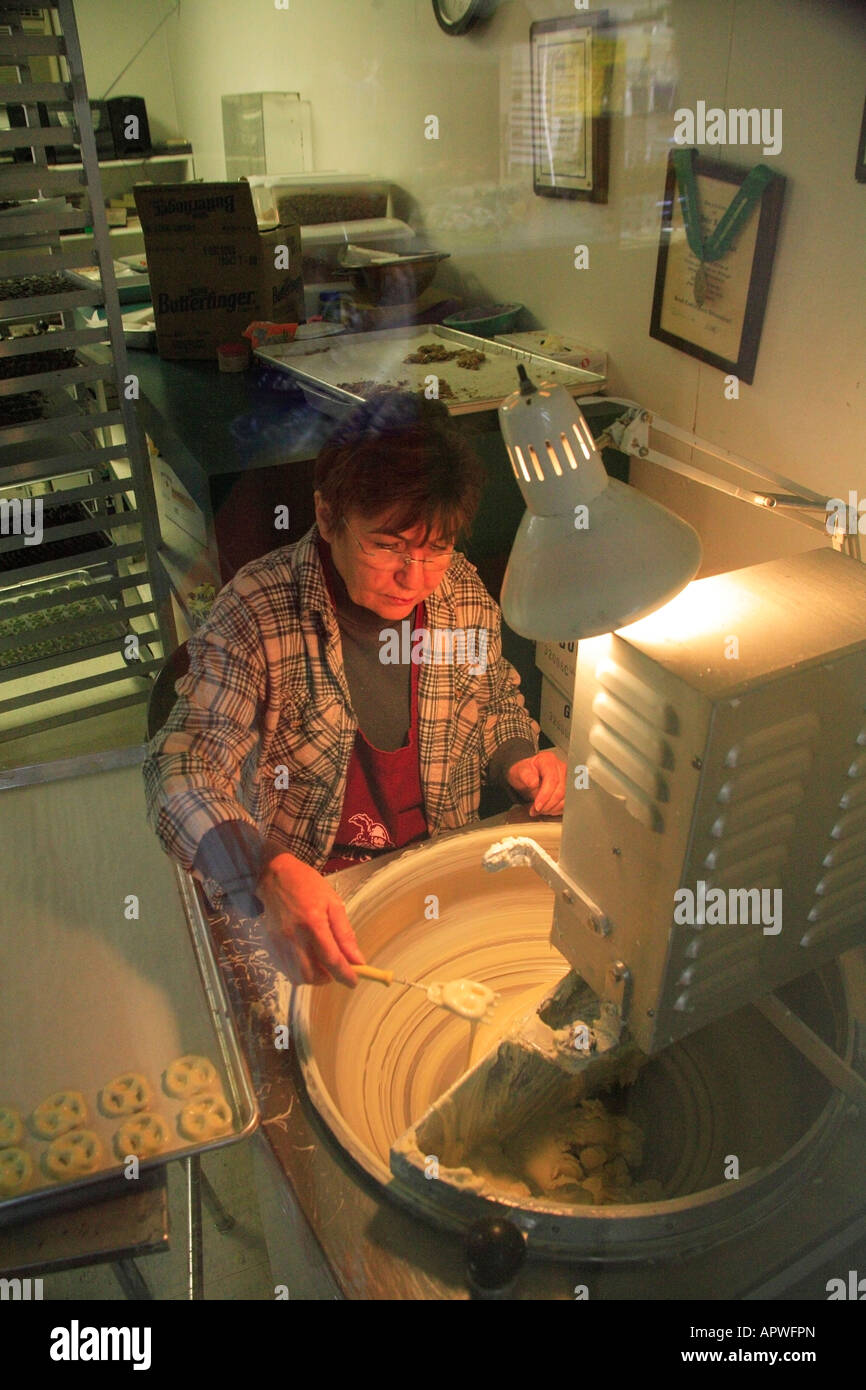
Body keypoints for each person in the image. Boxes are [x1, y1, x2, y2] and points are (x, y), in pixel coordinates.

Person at [144, 390, 566, 988]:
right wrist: (262, 869)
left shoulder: (462, 596)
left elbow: (494, 703)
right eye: (387, 545)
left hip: (430, 879)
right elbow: (180, 769)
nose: (413, 577)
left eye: (437, 548)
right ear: (326, 516)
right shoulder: (258, 611)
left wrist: (521, 761)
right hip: (311, 902)